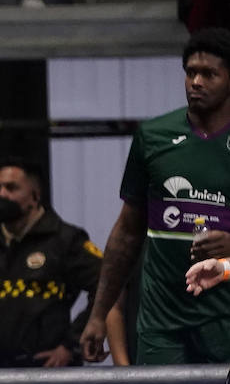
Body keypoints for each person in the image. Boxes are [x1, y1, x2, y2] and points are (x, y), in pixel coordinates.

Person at [80, 28, 230, 365]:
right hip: (162, 324)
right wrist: (97, 315)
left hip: (224, 320)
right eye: (191, 72)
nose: (196, 82)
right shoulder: (153, 136)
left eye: (209, 74)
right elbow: (127, 232)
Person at [0, 158, 104, 368]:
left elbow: (105, 286)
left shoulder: (64, 239)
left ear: (35, 196)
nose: (1, 194)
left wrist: (70, 345)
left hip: (49, 370)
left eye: (11, 188)